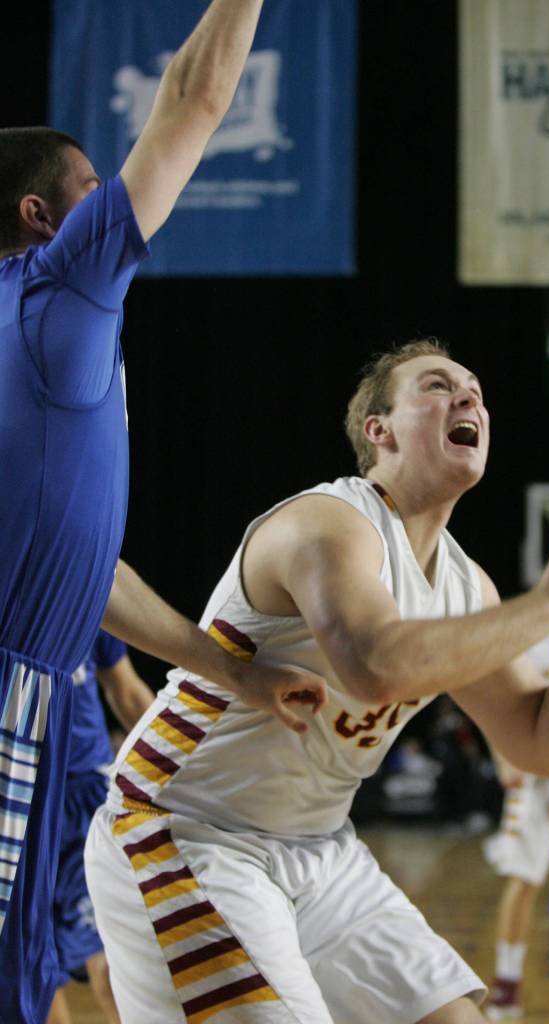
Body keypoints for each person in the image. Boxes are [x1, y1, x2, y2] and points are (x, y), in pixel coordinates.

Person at [85, 339, 549, 1023]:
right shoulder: (328, 521)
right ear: (377, 432)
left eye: (473, 389)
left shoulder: (465, 584)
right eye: (438, 387)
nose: (468, 397)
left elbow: (536, 738)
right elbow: (373, 664)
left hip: (319, 847)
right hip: (185, 828)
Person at [0, 4, 325, 1021]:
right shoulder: (58, 295)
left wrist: (229, 667)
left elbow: (80, 571)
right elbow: (197, 96)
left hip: (43, 681)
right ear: (40, 218)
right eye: (95, 190)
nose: (118, 204)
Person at [47, 630, 155, 1024]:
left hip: (86, 797)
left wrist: (184, 768)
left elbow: (125, 690)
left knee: (115, 967)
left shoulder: (82, 584)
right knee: (32, 986)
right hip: (16, 809)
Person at [483, 626, 549, 1020]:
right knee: (525, 879)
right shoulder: (541, 634)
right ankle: (508, 985)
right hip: (539, 780)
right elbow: (491, 693)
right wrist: (503, 754)